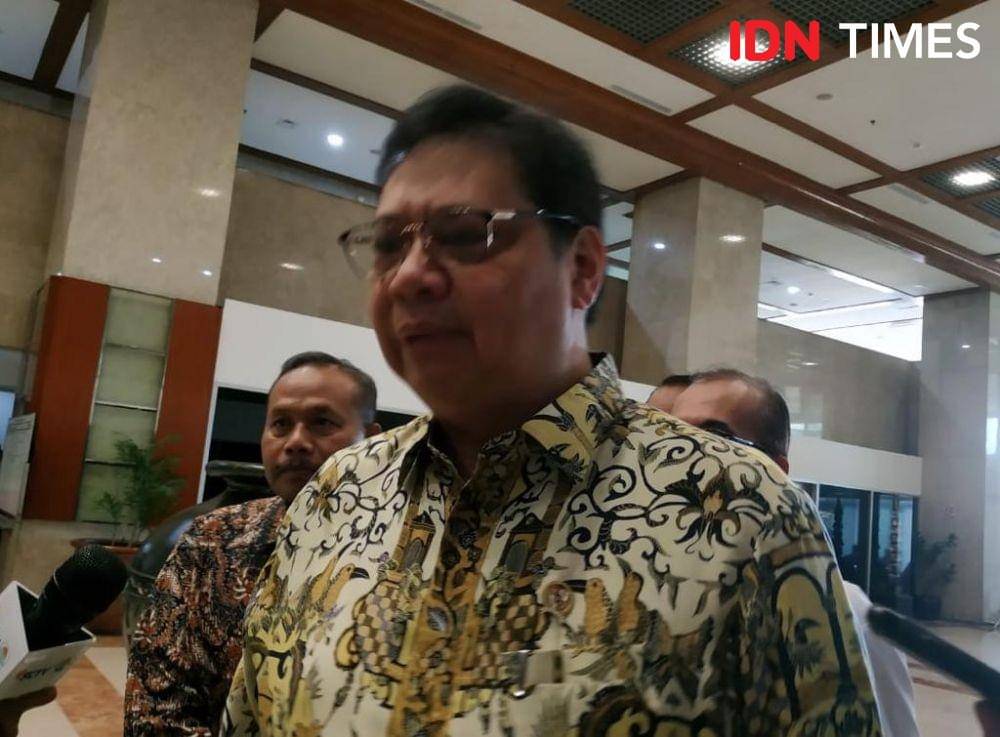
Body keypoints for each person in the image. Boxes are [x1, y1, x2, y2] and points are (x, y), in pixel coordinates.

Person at [222, 85, 881, 737]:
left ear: (584, 268)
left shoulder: (742, 510)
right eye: (390, 245)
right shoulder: (336, 493)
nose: (409, 276)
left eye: (465, 234)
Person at [124, 352, 381, 737]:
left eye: (322, 422)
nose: (296, 442)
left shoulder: (412, 553)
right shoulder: (212, 540)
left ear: (372, 439)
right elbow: (156, 703)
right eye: (280, 424)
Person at [670, 368, 919, 737]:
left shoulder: (842, 612)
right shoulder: (637, 596)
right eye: (667, 435)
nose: (678, 456)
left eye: (714, 438)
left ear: (775, 470)